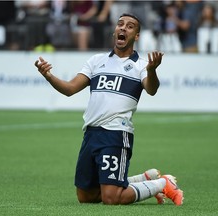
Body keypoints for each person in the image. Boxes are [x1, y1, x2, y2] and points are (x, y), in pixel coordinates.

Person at [34, 13, 184, 205]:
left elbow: (152, 89)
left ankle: (163, 184)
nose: (123, 28)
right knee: (86, 196)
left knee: (111, 198)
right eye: (120, 24)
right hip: (91, 133)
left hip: (116, 133)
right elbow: (70, 89)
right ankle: (143, 180)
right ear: (115, 31)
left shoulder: (140, 65)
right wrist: (48, 76)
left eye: (130, 26)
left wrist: (152, 70)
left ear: (136, 36)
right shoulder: (96, 61)